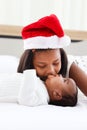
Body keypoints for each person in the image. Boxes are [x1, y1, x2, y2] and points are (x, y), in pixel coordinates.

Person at [17, 14, 87, 106]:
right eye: (42, 66)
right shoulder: (26, 77)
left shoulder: (69, 67)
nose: (51, 71)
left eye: (56, 63)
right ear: (30, 64)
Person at [0, 70, 77, 107]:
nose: (60, 75)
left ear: (57, 94)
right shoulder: (42, 84)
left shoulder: (42, 98)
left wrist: (30, 73)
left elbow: (26, 100)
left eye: (64, 80)